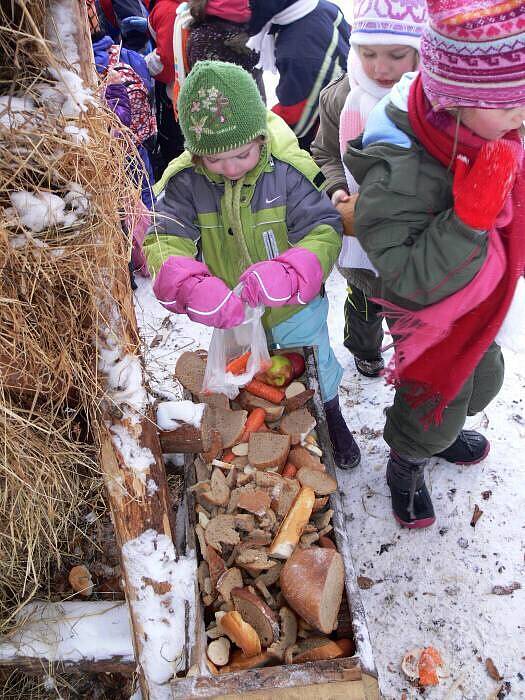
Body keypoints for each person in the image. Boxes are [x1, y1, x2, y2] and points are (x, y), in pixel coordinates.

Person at [343, 0, 525, 527]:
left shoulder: (486, 130)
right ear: (462, 98)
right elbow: (404, 273)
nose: (521, 116)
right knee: (431, 407)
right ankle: (407, 462)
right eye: (511, 103)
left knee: (484, 381)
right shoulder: (400, 166)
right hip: (432, 316)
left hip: (479, 302)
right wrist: (470, 219)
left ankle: (435, 442)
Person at [143, 60, 361, 469]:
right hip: (232, 310)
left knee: (317, 367)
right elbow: (162, 236)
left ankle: (331, 415)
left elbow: (324, 227)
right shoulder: (186, 181)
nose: (229, 168)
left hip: (295, 305)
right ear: (194, 153)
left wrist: (293, 272)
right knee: (245, 378)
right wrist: (189, 283)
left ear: (260, 138)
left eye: (242, 154)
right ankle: (262, 438)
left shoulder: (288, 172)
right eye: (214, 160)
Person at [311, 0, 427, 378]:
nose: (380, 67)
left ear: (421, 49)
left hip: (412, 244)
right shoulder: (340, 97)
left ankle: (410, 362)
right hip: (359, 241)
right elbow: (324, 152)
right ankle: (363, 347)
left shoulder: (432, 103)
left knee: (409, 315)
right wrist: (336, 187)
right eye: (368, 53)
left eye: (396, 55)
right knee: (364, 301)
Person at [247, 0, 350, 150]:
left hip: (328, 137)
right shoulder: (321, 6)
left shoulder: (298, 52)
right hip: (342, 104)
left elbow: (297, 121)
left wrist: (258, 129)